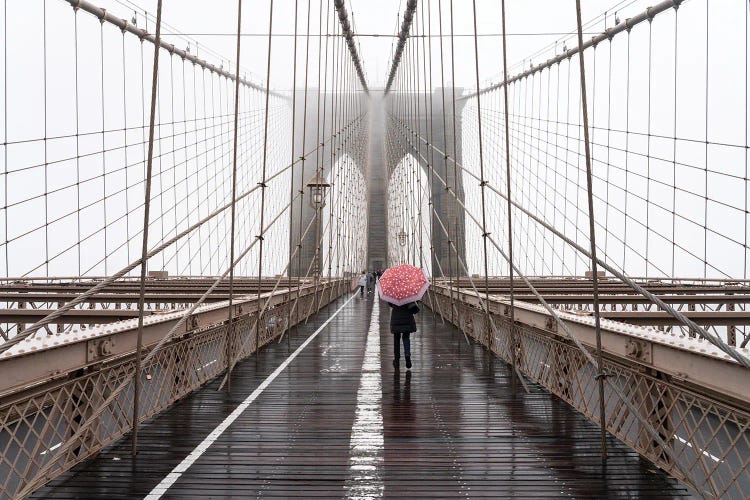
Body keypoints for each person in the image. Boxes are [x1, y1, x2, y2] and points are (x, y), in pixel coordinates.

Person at [389, 301, 420, 369]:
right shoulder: (409, 292)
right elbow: (416, 303)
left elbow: (390, 304)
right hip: (407, 317)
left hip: (396, 317)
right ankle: (407, 357)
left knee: (396, 339)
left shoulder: (394, 292)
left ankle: (397, 360)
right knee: (406, 337)